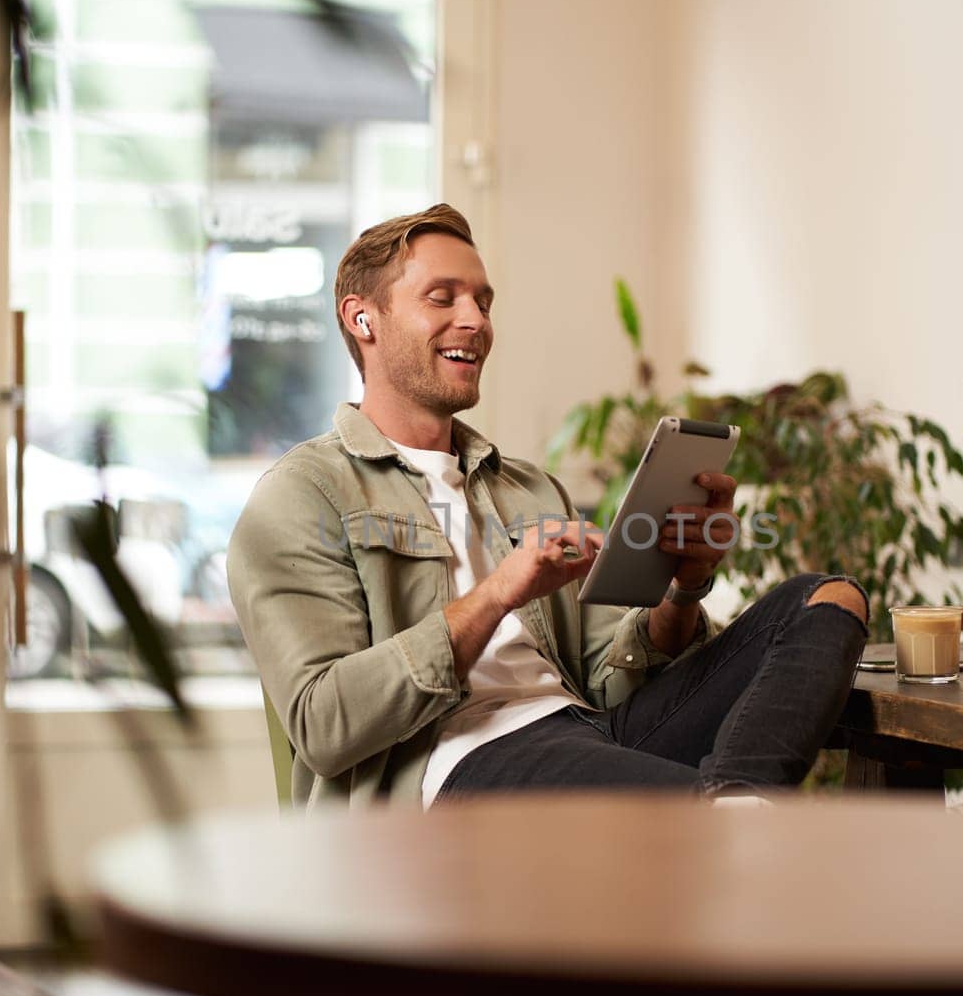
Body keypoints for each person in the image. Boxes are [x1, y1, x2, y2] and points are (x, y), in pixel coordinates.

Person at [227, 203, 870, 810]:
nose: (475, 320)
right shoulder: (304, 495)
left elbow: (609, 682)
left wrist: (682, 590)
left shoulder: (529, 489)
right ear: (362, 319)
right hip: (456, 764)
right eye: (442, 297)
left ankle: (737, 806)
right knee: (696, 820)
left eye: (482, 301)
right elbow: (323, 725)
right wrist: (498, 591)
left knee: (829, 600)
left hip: (588, 732)